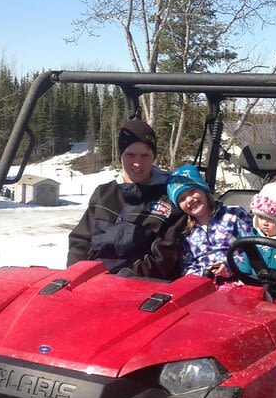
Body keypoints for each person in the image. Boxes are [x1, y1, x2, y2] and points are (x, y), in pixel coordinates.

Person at [67, 119, 187, 280]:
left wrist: (120, 281)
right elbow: (80, 240)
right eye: (130, 155)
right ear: (120, 156)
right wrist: (77, 274)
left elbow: (164, 257)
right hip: (93, 283)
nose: (138, 163)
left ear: (153, 156)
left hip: (141, 287)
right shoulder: (104, 193)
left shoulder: (168, 197)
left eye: (145, 155)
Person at [166, 164, 252, 279]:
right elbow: (187, 266)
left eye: (192, 191)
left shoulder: (233, 214)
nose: (189, 200)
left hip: (240, 281)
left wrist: (229, 266)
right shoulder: (186, 232)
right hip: (205, 286)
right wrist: (204, 273)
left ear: (204, 189)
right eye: (182, 199)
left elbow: (254, 250)